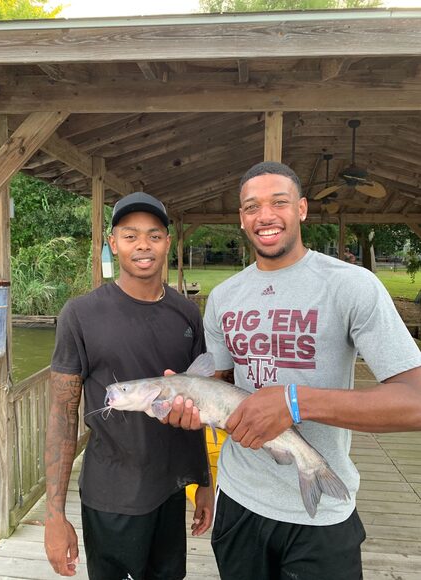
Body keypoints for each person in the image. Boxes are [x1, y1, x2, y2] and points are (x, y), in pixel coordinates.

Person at [170, 161, 421, 580]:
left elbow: (414, 401)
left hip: (321, 512)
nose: (264, 215)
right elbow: (223, 384)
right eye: (252, 206)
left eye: (278, 202)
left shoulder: (351, 285)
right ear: (241, 218)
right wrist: (184, 398)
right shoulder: (224, 297)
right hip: (239, 502)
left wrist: (295, 402)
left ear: (302, 208)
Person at [44, 191, 214, 580]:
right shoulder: (81, 314)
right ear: (113, 242)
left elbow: (198, 400)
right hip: (111, 493)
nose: (143, 245)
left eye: (154, 235)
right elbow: (61, 416)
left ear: (168, 243)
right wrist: (54, 515)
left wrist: (203, 481)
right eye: (130, 235)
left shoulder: (187, 313)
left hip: (170, 489)